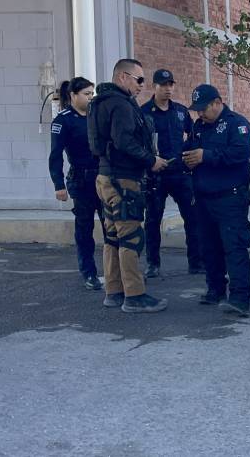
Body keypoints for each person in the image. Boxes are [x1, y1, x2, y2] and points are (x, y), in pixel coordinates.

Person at [88, 58, 169, 313]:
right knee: (131, 237)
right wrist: (151, 160)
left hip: (106, 177)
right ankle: (134, 295)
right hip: (123, 179)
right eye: (139, 79)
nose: (142, 86)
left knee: (113, 237)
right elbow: (124, 142)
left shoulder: (99, 103)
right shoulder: (120, 105)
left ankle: (114, 291)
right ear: (122, 77)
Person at [183, 84, 250, 317]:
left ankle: (240, 297)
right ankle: (215, 289)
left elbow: (240, 154)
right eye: (197, 110)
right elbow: (190, 149)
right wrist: (186, 159)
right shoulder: (199, 126)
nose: (200, 114)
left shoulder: (237, 124)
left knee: (234, 247)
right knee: (208, 246)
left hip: (230, 197)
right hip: (204, 197)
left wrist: (206, 156)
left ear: (217, 102)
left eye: (203, 108)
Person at [141, 69, 203, 278]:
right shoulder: (144, 112)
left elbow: (193, 134)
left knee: (193, 218)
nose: (168, 89)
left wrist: (187, 155)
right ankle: (153, 263)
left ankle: (195, 262)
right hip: (156, 174)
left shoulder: (180, 111)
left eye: (170, 85)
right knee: (153, 221)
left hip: (180, 173)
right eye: (163, 85)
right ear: (154, 86)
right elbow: (138, 143)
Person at [48, 77, 104, 290]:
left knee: (111, 226)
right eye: (86, 94)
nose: (90, 97)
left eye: (92, 94)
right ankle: (89, 273)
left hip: (102, 176)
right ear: (73, 95)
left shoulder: (96, 115)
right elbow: (55, 155)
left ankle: (118, 273)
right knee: (84, 228)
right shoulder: (64, 120)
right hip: (80, 179)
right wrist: (58, 184)